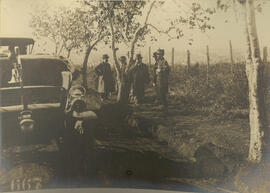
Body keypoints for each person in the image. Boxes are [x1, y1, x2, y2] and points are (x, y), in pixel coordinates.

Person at [153, 49, 170, 113]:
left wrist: (161, 70)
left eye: (159, 54)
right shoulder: (157, 62)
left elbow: (167, 70)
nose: (158, 55)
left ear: (162, 55)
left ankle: (164, 106)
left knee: (162, 92)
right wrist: (154, 81)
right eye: (157, 54)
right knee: (158, 91)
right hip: (158, 79)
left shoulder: (164, 61)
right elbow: (154, 72)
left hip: (163, 79)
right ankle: (161, 106)